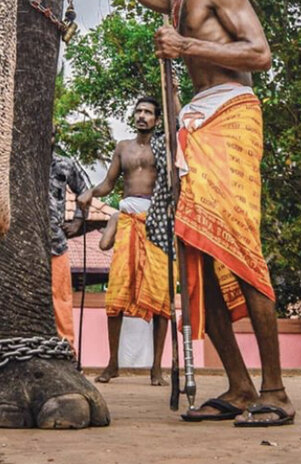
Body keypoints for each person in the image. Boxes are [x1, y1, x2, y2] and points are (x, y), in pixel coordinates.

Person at [72, 0, 295, 428]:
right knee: (199, 255)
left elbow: (259, 54)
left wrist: (184, 45)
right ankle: (239, 388)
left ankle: (276, 391)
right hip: (193, 125)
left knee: (239, 246)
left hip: (231, 116)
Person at [79, 96, 172, 386]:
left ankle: (157, 368)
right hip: (128, 220)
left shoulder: (164, 146)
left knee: (160, 296)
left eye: (148, 112)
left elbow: (176, 176)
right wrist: (90, 192)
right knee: (117, 293)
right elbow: (108, 183)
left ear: (157, 119)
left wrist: (174, 95)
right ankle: (113, 364)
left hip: (156, 223)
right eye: (138, 111)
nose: (142, 116)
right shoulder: (123, 147)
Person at [49, 134, 90, 350]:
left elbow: (85, 191)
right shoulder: (19, 162)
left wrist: (77, 221)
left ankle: (66, 348)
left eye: (52, 134)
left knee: (61, 296)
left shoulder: (65, 164)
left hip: (55, 242)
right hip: (24, 245)